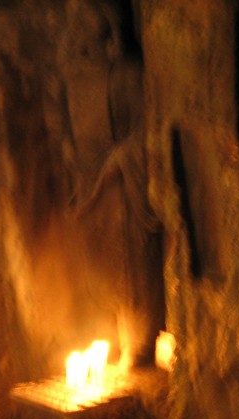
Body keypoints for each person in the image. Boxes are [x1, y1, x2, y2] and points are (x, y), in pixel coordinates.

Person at [57, 0, 163, 369]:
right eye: (78, 17)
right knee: (96, 269)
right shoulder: (73, 79)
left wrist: (124, 156)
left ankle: (137, 340)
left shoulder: (128, 75)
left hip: (122, 185)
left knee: (128, 264)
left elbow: (147, 130)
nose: (83, 25)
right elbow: (69, 129)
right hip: (89, 183)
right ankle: (106, 338)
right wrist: (70, 152)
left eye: (91, 14)